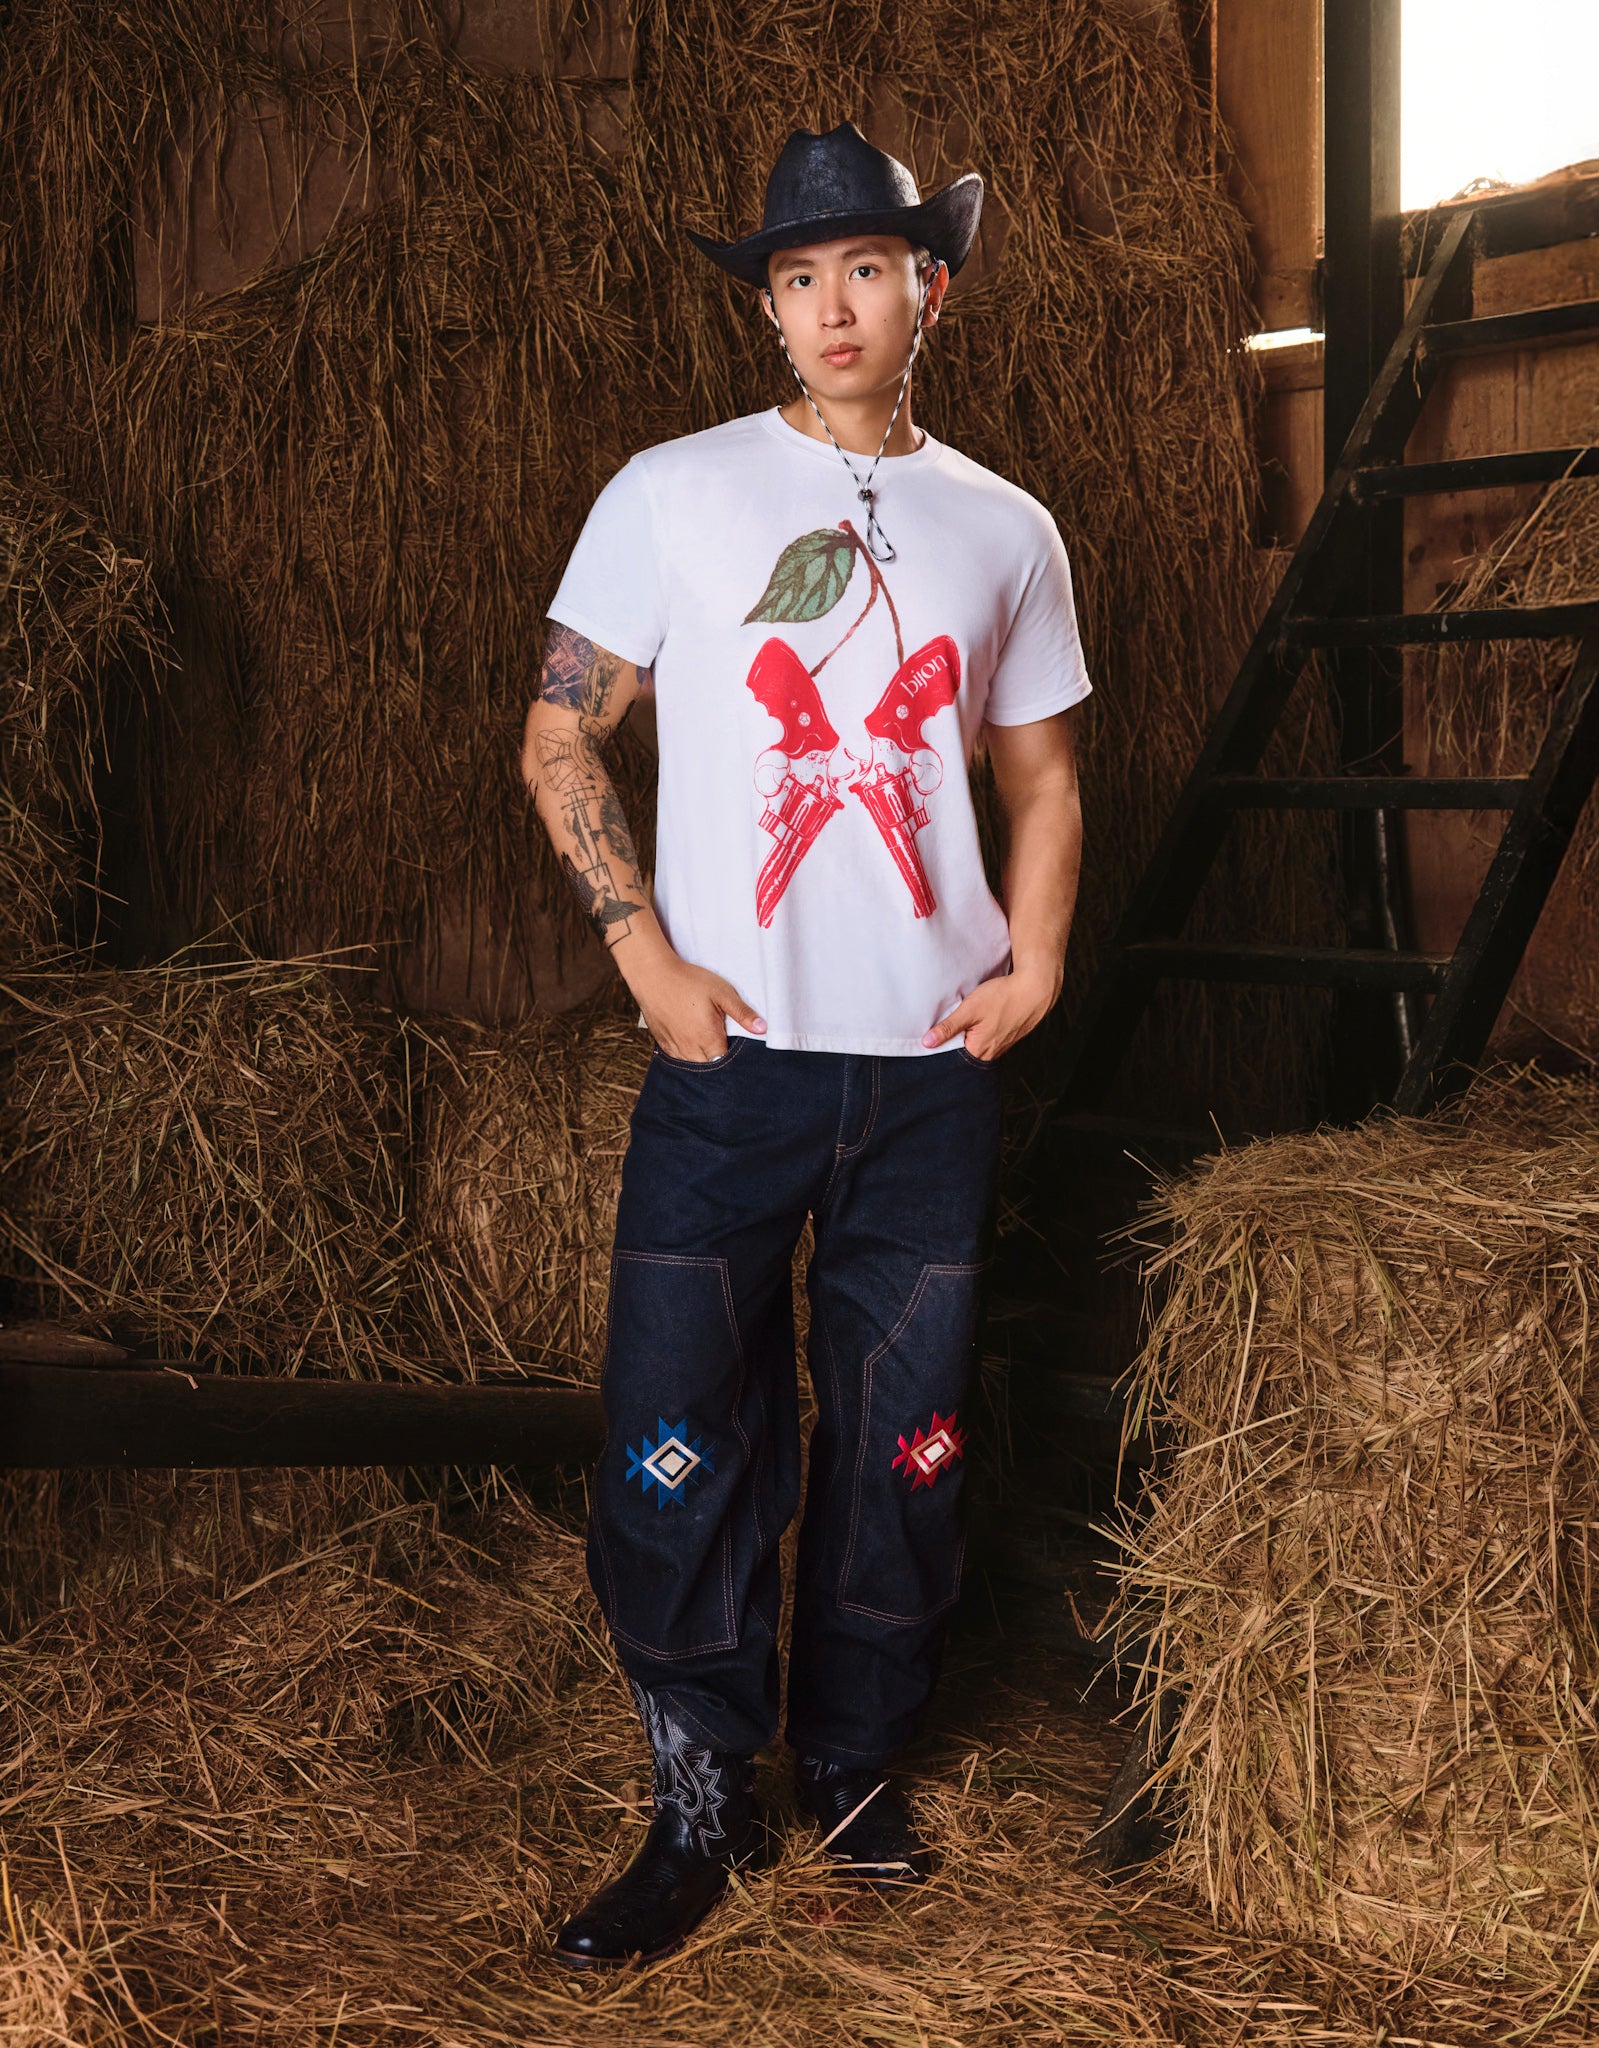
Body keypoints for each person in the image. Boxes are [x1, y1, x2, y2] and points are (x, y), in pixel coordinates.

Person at [520, 119, 1090, 1969]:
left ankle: (851, 1766)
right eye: (794, 277)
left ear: (932, 286)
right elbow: (557, 733)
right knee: (676, 1427)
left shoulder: (1005, 527)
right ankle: (698, 1789)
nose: (830, 306)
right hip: (729, 1068)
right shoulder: (670, 492)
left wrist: (1036, 963)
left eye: (864, 268)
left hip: (932, 1076)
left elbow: (1042, 776)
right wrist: (643, 957)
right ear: (765, 308)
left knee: (906, 1438)